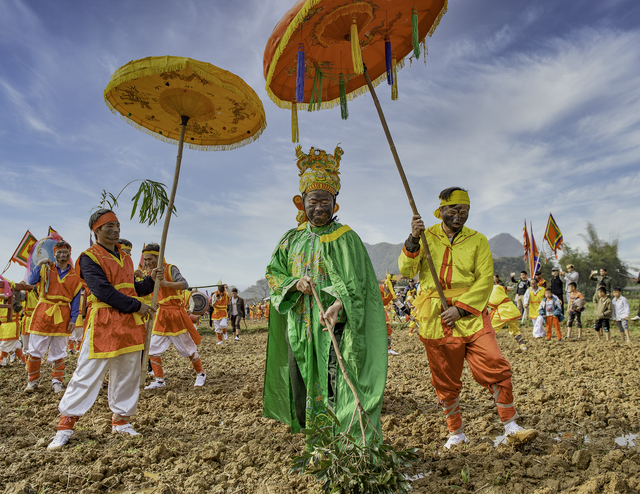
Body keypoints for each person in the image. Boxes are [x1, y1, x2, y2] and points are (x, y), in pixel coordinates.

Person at [263, 145, 387, 446]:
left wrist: (337, 303)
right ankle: (316, 444)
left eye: (326, 201)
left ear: (336, 204)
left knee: (335, 385)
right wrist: (294, 284)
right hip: (299, 328)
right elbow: (273, 274)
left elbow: (360, 286)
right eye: (313, 201)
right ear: (301, 202)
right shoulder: (290, 241)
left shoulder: (346, 239)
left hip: (334, 328)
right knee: (301, 383)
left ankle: (342, 443)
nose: (319, 207)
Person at [399, 187, 535, 449]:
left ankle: (511, 425)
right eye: (453, 210)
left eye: (465, 210)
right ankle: (456, 432)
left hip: (470, 314)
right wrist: (413, 239)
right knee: (444, 378)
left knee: (494, 360)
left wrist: (460, 309)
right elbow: (407, 270)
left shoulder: (478, 240)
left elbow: (485, 280)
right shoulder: (426, 236)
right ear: (441, 211)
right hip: (436, 317)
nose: (459, 215)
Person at [47, 209, 157, 450]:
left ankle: (122, 420)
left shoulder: (126, 257)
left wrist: (150, 281)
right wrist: (136, 306)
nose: (116, 230)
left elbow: (130, 288)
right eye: (110, 227)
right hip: (105, 321)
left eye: (117, 225)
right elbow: (103, 290)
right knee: (88, 371)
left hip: (128, 322)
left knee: (128, 372)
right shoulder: (89, 258)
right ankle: (66, 423)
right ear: (96, 231)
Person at [141, 243, 206, 389]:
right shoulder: (150, 273)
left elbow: (184, 284)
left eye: (149, 259)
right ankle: (159, 380)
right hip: (161, 315)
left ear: (158, 257)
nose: (146, 262)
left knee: (188, 348)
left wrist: (165, 283)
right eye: (145, 259)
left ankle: (200, 373)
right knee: (152, 348)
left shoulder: (170, 268)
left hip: (175, 314)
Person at [26, 240, 82, 394]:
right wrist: (39, 264)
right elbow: (31, 281)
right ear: (55, 254)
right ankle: (32, 381)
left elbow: (76, 300)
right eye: (60, 252)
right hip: (43, 312)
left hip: (63, 314)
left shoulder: (74, 276)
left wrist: (73, 319)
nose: (63, 255)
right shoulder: (45, 269)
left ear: (69, 255)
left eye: (66, 253)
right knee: (36, 349)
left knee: (59, 350)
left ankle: (57, 381)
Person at [488, 277, 527, 351]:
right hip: (512, 309)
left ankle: (489, 347)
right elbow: (511, 288)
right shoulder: (499, 287)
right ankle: (523, 345)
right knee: (515, 330)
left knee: (490, 329)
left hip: (502, 311)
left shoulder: (486, 291)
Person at [0, 292, 26, 366]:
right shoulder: (2, 299)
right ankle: (24, 361)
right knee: (14, 345)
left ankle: (1, 361)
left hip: (12, 325)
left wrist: (11, 297)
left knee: (5, 344)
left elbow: (18, 308)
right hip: (3, 326)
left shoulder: (16, 297)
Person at [380, 276, 395, 354]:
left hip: (382, 311)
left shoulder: (391, 293)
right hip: (374, 311)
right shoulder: (378, 289)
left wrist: (409, 314)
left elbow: (397, 302)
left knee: (387, 329)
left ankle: (388, 348)